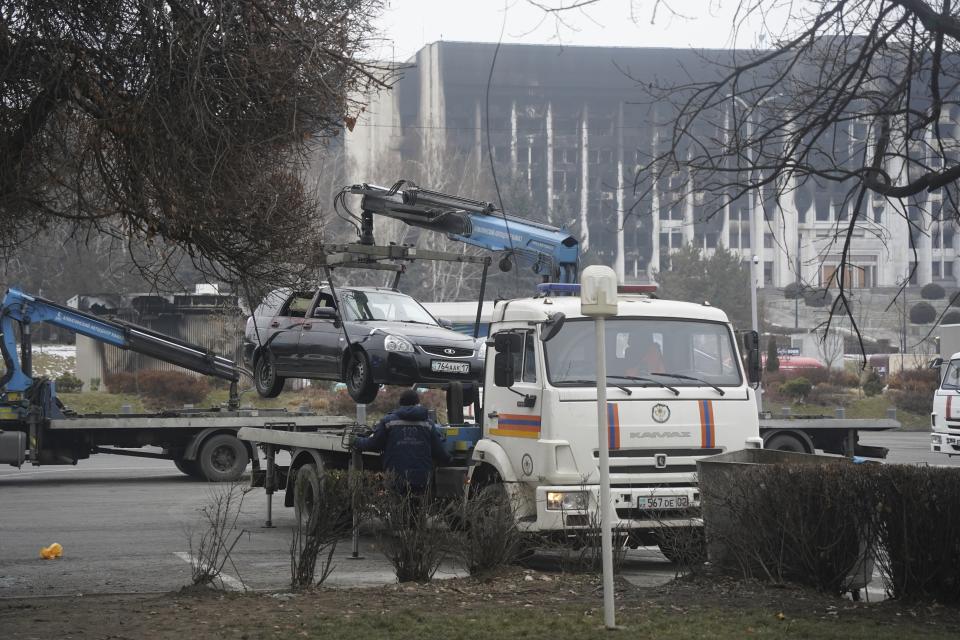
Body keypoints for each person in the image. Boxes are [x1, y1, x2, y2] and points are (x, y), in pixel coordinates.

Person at [352, 388, 452, 502]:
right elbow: (439, 449)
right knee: (418, 512)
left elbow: (374, 444)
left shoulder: (388, 421)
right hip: (421, 478)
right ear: (417, 403)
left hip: (396, 477)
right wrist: (449, 459)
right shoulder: (428, 424)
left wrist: (357, 441)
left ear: (401, 403)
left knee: (397, 511)